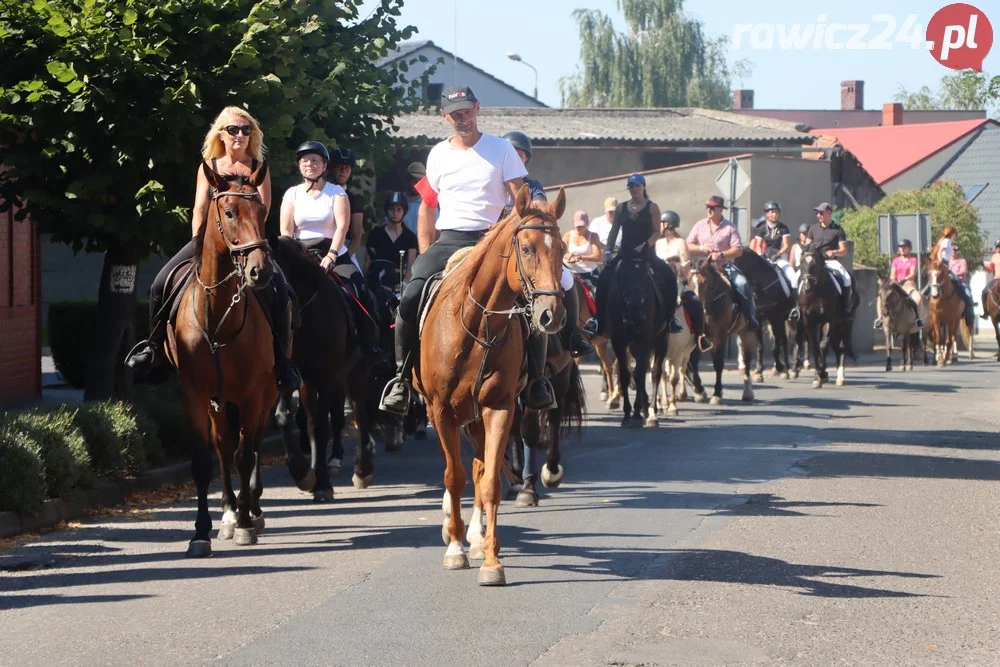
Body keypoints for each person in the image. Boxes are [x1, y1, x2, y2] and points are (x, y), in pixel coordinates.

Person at [125, 106, 300, 389]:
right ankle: (153, 347)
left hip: (249, 241)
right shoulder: (209, 167)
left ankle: (282, 361)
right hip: (208, 242)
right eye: (233, 129)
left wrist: (247, 241)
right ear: (221, 133)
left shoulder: (258, 168)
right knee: (159, 284)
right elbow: (199, 209)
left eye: (246, 130)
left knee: (282, 290)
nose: (240, 135)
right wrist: (197, 243)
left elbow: (263, 211)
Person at [379, 84, 528, 416]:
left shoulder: (502, 149)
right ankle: (402, 378)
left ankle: (536, 381)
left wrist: (509, 234)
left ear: (478, 108)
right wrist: (424, 249)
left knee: (531, 298)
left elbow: (520, 200)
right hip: (449, 240)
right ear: (445, 116)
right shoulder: (437, 154)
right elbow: (427, 208)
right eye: (455, 114)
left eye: (467, 111)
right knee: (409, 297)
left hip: (492, 240)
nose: (463, 119)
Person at [501, 130, 593, 410]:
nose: (517, 159)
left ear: (526, 159)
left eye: (521, 155)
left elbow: (540, 206)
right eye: (512, 155)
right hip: (500, 250)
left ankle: (573, 336)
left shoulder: (533, 184)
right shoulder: (492, 181)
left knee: (566, 279)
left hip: (529, 250)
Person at [279, 140, 381, 358]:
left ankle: (369, 346)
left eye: (315, 160)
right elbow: (286, 231)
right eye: (305, 160)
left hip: (333, 252)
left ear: (324, 165)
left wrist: (332, 255)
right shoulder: (291, 194)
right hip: (300, 254)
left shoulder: (336, 193)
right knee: (275, 291)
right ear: (299, 165)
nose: (309, 164)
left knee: (359, 289)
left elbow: (343, 227)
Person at [590, 174, 683, 336]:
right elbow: (614, 232)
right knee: (604, 278)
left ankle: (670, 318)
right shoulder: (621, 208)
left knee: (669, 276)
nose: (634, 189)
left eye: (637, 186)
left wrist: (646, 244)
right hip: (625, 254)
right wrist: (608, 252)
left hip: (647, 254)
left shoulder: (652, 207)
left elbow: (656, 232)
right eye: (631, 187)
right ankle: (599, 320)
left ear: (643, 187)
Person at [686, 195, 760, 330]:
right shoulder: (699, 225)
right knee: (683, 285)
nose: (709, 210)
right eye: (708, 207)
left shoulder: (730, 227)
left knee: (742, 283)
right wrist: (702, 248)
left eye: (712, 207)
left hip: (724, 266)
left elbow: (738, 250)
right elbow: (688, 245)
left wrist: (721, 255)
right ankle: (679, 320)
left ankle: (749, 316)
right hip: (701, 267)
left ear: (720, 210)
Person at [807, 202, 854, 317]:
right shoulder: (813, 229)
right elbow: (807, 247)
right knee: (796, 278)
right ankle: (796, 308)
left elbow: (844, 250)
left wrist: (834, 252)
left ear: (829, 213)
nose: (818, 215)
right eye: (818, 213)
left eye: (821, 213)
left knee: (847, 278)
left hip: (831, 262)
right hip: (815, 262)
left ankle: (845, 308)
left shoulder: (838, 230)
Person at [366, 191, 418, 285]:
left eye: (399, 209)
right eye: (392, 209)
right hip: (375, 280)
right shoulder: (376, 233)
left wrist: (404, 285)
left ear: (404, 212)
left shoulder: (410, 237)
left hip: (398, 284)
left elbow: (410, 266)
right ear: (387, 210)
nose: (395, 213)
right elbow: (368, 262)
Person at [327, 146, 365, 271]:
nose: (343, 171)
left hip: (344, 249)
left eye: (347, 168)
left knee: (360, 286)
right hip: (319, 245)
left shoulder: (354, 200)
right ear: (332, 168)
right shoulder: (321, 193)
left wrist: (344, 258)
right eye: (339, 167)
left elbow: (356, 236)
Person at [930, 225, 975, 327]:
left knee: (947, 282)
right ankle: (967, 304)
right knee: (957, 283)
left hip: (946, 264)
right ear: (952, 233)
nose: (955, 236)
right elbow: (940, 251)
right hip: (944, 264)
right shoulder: (946, 241)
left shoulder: (948, 241)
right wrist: (941, 260)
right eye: (955, 234)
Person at [876, 239, 923, 329]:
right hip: (896, 284)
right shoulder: (896, 261)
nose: (902, 249)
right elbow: (892, 275)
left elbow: (912, 274)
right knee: (881, 297)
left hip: (908, 284)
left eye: (904, 247)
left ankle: (918, 319)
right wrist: (894, 281)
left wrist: (904, 279)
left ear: (909, 249)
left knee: (917, 298)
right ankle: (880, 319)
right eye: (900, 247)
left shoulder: (913, 260)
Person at [563, 210, 604, 277]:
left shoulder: (593, 236)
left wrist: (580, 257)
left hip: (589, 272)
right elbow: (559, 252)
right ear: (573, 223)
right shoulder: (567, 235)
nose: (580, 228)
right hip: (572, 273)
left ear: (587, 223)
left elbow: (598, 257)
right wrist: (567, 255)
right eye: (578, 226)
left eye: (582, 226)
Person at [402, 161, 426, 235]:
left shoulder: (428, 204)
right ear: (407, 180)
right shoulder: (399, 201)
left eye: (420, 180)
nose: (417, 183)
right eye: (414, 179)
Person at [980, 240, 1000, 319]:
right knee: (984, 291)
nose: (998, 248)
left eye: (999, 247)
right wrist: (984, 266)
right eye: (997, 247)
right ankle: (985, 312)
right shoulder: (994, 256)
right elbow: (990, 269)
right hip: (996, 280)